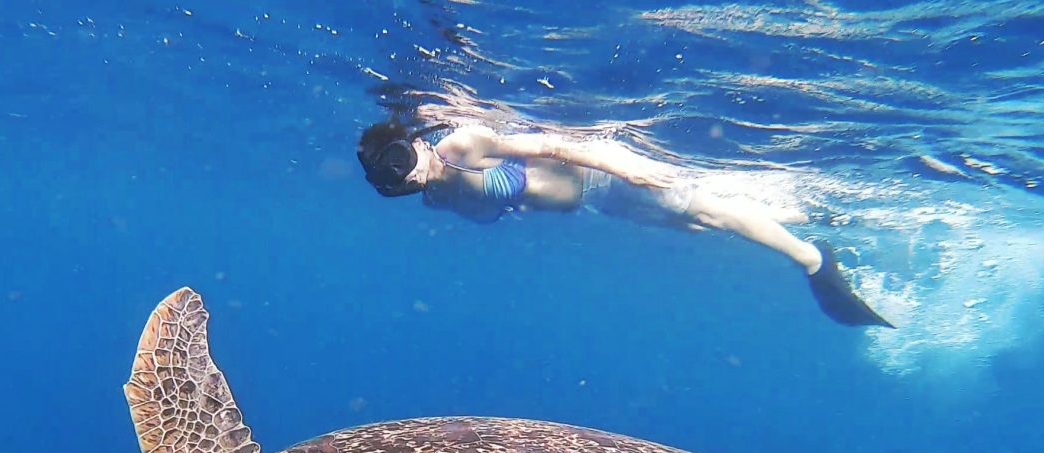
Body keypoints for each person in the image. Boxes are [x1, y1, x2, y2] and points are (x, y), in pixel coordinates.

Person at [356, 119, 893, 328]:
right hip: (593, 202)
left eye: (404, 158)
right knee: (705, 221)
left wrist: (625, 163)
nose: (411, 175)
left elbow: (551, 145)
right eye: (394, 179)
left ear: (417, 141)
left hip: (604, 179)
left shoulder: (458, 144)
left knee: (707, 209)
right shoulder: (434, 200)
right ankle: (818, 218)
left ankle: (815, 260)